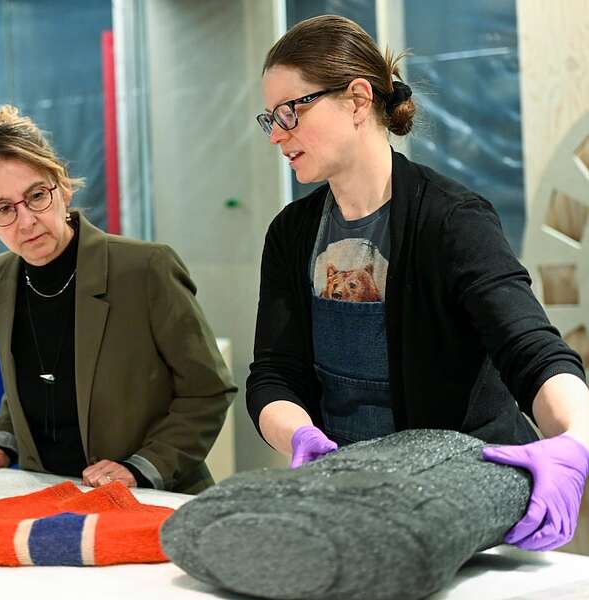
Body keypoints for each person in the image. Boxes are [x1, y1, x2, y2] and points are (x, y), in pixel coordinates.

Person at [246, 14, 589, 551]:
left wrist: (576, 441)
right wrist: (301, 436)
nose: (279, 135)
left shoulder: (452, 219)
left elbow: (532, 352)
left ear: (358, 99)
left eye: (291, 111)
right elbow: (273, 375)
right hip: (357, 499)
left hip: (465, 500)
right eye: (270, 119)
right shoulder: (291, 234)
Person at [0, 105, 236, 494]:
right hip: (46, 495)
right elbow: (32, 383)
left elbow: (207, 389)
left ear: (63, 188)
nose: (26, 221)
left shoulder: (145, 269)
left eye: (37, 196)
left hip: (151, 497)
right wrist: (0, 443)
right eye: (4, 209)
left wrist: (143, 467)